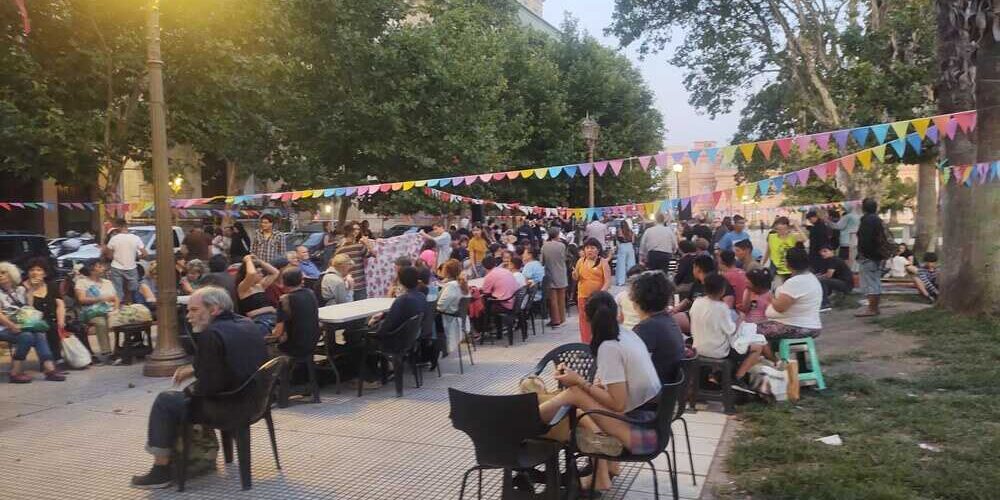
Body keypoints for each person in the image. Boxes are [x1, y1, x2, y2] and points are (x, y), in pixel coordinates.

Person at [130, 287, 268, 489]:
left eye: (194, 310)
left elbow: (209, 388)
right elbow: (229, 360)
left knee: (166, 401)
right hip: (257, 402)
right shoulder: (247, 324)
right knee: (179, 396)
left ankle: (161, 470)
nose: (188, 316)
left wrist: (189, 391)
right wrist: (195, 370)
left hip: (228, 406)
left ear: (214, 309)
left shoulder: (210, 334)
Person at [536, 291, 663, 494]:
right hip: (653, 424)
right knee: (580, 406)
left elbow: (618, 404)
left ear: (586, 318)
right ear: (616, 312)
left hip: (642, 434)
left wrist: (579, 381)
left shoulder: (609, 347)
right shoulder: (627, 334)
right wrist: (590, 386)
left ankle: (528, 417)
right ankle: (605, 472)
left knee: (576, 395)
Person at [689, 273, 768, 393]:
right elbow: (731, 330)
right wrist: (740, 318)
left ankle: (721, 376)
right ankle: (737, 378)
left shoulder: (697, 302)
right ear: (722, 290)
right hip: (718, 351)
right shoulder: (721, 307)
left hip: (698, 347)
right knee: (757, 347)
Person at [0, 262, 65, 382]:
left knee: (39, 334)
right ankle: (15, 372)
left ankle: (49, 368)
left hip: (22, 324)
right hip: (4, 327)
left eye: (3, 273)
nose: (1, 275)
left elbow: (28, 308)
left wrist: (30, 291)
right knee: (27, 337)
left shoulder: (19, 289)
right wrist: (12, 325)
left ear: (11, 274)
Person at [629, 270, 686, 383]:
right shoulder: (668, 321)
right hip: (667, 388)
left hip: (653, 391)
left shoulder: (647, 328)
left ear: (637, 300)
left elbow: (629, 365)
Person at [757, 247, 823, 340]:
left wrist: (769, 296)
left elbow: (780, 308)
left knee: (752, 331)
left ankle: (769, 355)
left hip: (798, 326)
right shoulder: (811, 277)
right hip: (811, 325)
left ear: (788, 263)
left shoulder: (796, 282)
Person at [672, 254, 735, 335]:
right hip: (695, 315)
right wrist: (675, 309)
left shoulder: (719, 282)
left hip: (711, 319)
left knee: (673, 322)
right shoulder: (697, 283)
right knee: (672, 319)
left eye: (693, 267)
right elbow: (688, 300)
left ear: (697, 268)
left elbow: (728, 304)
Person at [22, 258, 69, 364]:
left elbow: (60, 304)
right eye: (32, 270)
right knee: (48, 328)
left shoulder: (51, 285)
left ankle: (83, 357)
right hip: (34, 321)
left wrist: (61, 321)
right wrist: (32, 289)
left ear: (44, 273)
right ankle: (52, 360)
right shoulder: (23, 287)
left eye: (39, 270)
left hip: (53, 317)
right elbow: (28, 308)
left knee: (76, 327)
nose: (35, 272)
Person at [268, 268, 320, 360]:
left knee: (268, 348)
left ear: (283, 282)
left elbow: (278, 333)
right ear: (301, 280)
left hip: (295, 347)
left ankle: (284, 372)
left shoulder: (285, 300)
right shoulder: (310, 293)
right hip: (313, 342)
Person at [74, 261, 119, 361]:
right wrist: (100, 299)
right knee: (101, 322)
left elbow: (116, 298)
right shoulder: (82, 282)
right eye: (99, 267)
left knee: (123, 320)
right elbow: (81, 299)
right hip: (91, 311)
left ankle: (121, 348)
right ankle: (107, 352)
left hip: (109, 310)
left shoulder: (108, 282)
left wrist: (116, 309)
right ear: (91, 270)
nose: (103, 268)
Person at [573, 238, 613, 343]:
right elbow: (576, 278)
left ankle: (598, 342)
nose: (589, 250)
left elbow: (608, 281)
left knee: (598, 320)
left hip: (597, 298)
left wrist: (600, 294)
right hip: (582, 296)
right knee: (584, 321)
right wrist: (574, 274)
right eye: (587, 248)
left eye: (592, 248)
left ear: (598, 250)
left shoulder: (603, 262)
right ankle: (586, 343)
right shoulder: (580, 261)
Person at [855, 198, 887, 317]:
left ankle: (872, 309)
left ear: (864, 208)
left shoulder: (867, 220)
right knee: (876, 281)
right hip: (878, 255)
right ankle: (875, 307)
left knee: (870, 283)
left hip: (869, 257)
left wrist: (864, 254)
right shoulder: (878, 220)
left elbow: (865, 240)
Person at [103, 219, 149, 300]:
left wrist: (117, 257)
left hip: (116, 267)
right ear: (127, 226)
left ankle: (119, 306)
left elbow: (109, 255)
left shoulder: (114, 239)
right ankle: (130, 305)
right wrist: (136, 257)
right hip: (131, 267)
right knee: (132, 291)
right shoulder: (136, 238)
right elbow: (145, 254)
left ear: (117, 227)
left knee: (118, 290)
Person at [235, 255, 280, 336]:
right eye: (258, 272)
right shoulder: (243, 288)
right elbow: (251, 273)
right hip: (259, 321)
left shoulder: (260, 285)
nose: (262, 274)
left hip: (272, 317)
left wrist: (260, 261)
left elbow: (275, 272)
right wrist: (248, 260)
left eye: (261, 272)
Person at [335, 221, 376, 301]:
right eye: (355, 229)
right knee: (362, 309)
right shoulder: (359, 246)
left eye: (358, 229)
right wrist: (367, 243)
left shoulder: (339, 249)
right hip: (358, 285)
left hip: (346, 285)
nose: (357, 231)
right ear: (350, 231)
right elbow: (374, 254)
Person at [436, 259, 470, 354]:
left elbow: (441, 307)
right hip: (459, 318)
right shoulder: (462, 283)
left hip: (449, 318)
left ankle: (434, 352)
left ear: (447, 271)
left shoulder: (451, 286)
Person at [762, 216, 805, 286]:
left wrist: (796, 226)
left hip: (791, 269)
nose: (781, 232)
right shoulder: (772, 237)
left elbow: (804, 239)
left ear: (788, 228)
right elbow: (768, 252)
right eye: (778, 229)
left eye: (783, 229)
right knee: (777, 288)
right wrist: (761, 264)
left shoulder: (792, 237)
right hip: (777, 270)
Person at [541, 227, 568, 328]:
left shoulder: (544, 246)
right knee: (561, 298)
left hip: (550, 273)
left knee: (553, 299)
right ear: (557, 235)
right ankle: (562, 318)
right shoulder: (562, 246)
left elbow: (542, 261)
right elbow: (564, 258)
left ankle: (555, 320)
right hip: (561, 272)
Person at [615, 265, 645, 331]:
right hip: (639, 331)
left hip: (627, 331)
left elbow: (619, 318)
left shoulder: (620, 296)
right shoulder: (649, 297)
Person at [614, 220, 637, 286]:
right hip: (630, 246)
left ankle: (621, 281)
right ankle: (632, 280)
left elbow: (617, 240)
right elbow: (633, 241)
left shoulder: (619, 230)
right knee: (631, 264)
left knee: (621, 265)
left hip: (622, 246)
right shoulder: (630, 231)